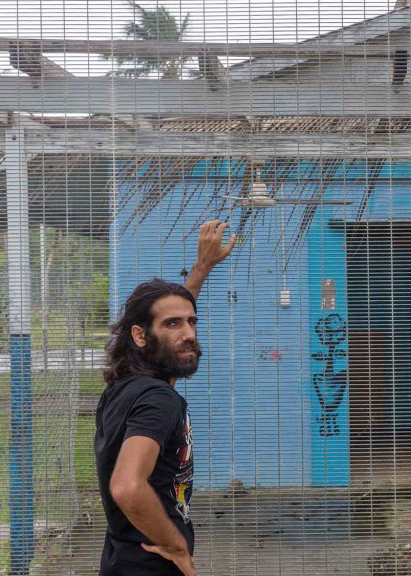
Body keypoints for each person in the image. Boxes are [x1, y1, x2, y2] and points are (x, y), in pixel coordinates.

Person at [95, 221, 235, 576]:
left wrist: (202, 268)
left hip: (123, 558)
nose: (188, 334)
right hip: (152, 563)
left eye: (192, 322)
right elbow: (127, 486)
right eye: (174, 325)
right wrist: (175, 547)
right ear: (139, 336)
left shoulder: (126, 385)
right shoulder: (158, 400)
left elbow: (167, 321)